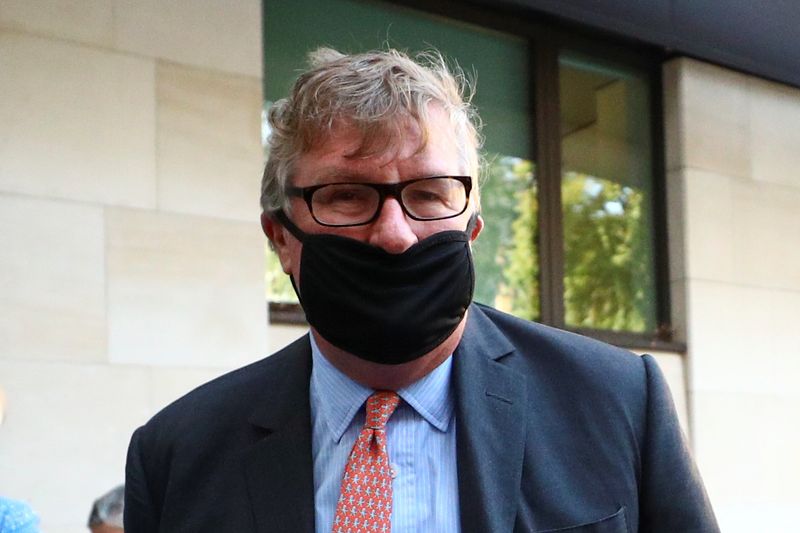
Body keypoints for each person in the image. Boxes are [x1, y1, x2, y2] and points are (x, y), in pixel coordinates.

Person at [124, 47, 719, 532]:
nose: (393, 234)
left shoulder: (615, 403)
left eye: (429, 194)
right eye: (347, 196)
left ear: (473, 229)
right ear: (281, 237)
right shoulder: (177, 456)